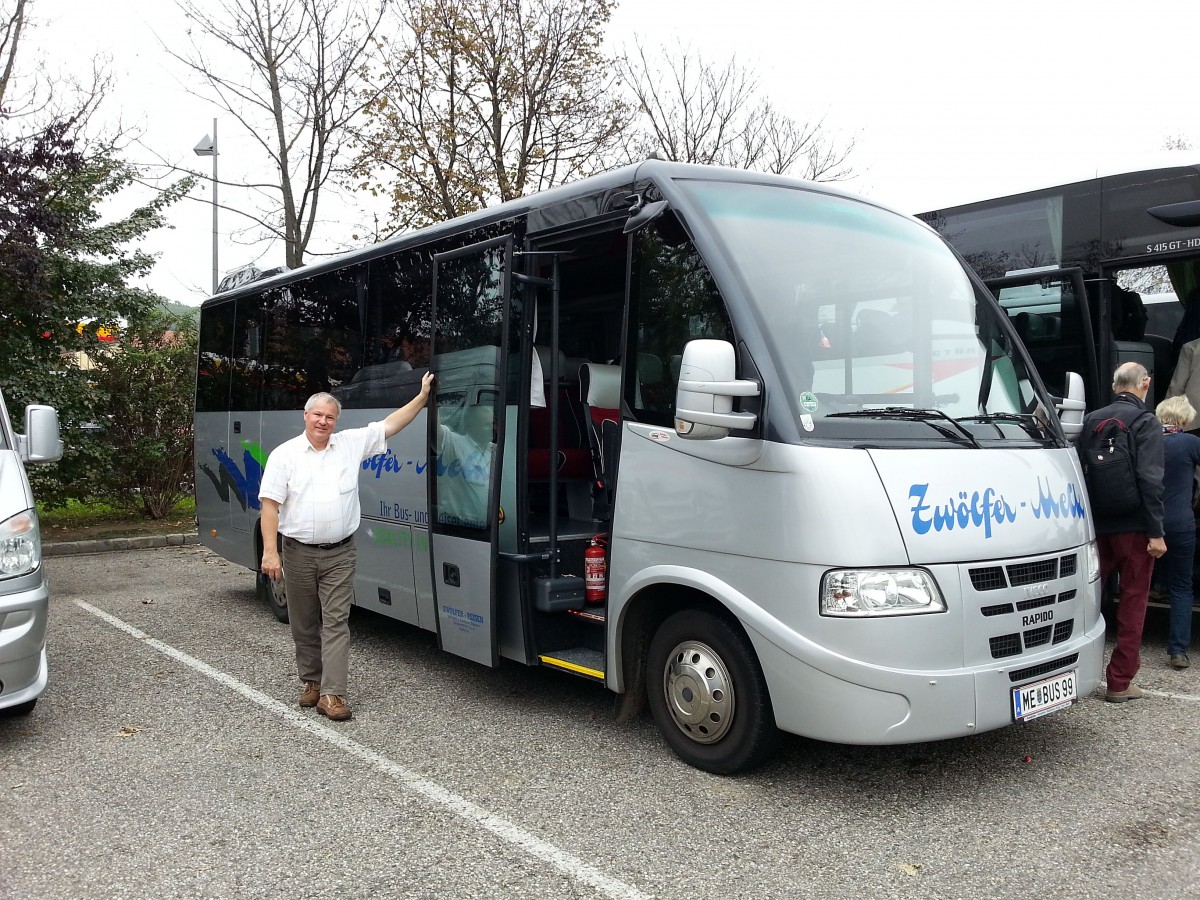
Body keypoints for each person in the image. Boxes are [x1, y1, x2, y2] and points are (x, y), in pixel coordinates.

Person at [259, 372, 435, 721]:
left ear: (336, 421)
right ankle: (311, 682)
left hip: (340, 552)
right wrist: (270, 551)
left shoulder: (351, 444)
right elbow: (269, 506)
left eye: (330, 416)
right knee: (304, 623)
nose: (323, 421)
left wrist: (422, 396)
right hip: (298, 552)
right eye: (317, 415)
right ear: (305, 417)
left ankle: (332, 694)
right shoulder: (285, 455)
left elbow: (390, 425)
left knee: (336, 621)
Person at [1078, 362, 1166, 702]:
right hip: (1135, 528)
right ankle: (1119, 681)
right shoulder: (1145, 422)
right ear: (1145, 383)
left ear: (1116, 386)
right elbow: (1150, 479)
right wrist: (1156, 532)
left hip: (1096, 526)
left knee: (1084, 599)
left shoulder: (1090, 420)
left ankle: (1073, 670)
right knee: (1133, 601)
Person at [1154, 395, 1200, 669]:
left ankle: (1130, 648)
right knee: (1182, 587)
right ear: (1183, 419)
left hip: (1149, 524)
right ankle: (1178, 651)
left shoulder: (1146, 442)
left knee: (1137, 585)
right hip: (1181, 523)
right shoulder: (1190, 443)